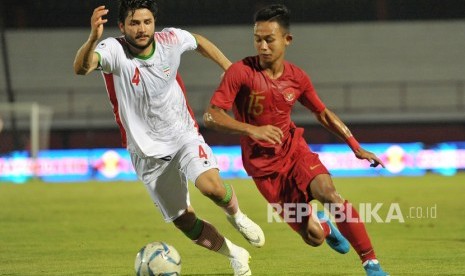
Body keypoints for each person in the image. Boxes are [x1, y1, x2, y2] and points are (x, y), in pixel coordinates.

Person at [73, 1, 264, 275]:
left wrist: (229, 68)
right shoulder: (112, 50)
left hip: (182, 134)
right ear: (122, 26)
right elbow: (81, 68)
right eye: (135, 23)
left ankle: (237, 216)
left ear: (154, 23)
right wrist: (93, 38)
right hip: (146, 152)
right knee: (184, 221)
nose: (142, 29)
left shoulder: (170, 40)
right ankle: (235, 253)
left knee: (212, 188)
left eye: (147, 22)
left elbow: (198, 42)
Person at [204, 4, 389, 276]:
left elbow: (322, 113)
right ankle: (323, 226)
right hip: (264, 170)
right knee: (312, 237)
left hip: (294, 151)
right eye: (258, 39)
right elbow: (211, 115)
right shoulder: (241, 72)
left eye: (269, 39)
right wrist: (252, 130)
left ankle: (371, 263)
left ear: (287, 40)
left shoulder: (297, 78)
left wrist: (356, 147)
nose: (263, 46)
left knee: (330, 193)